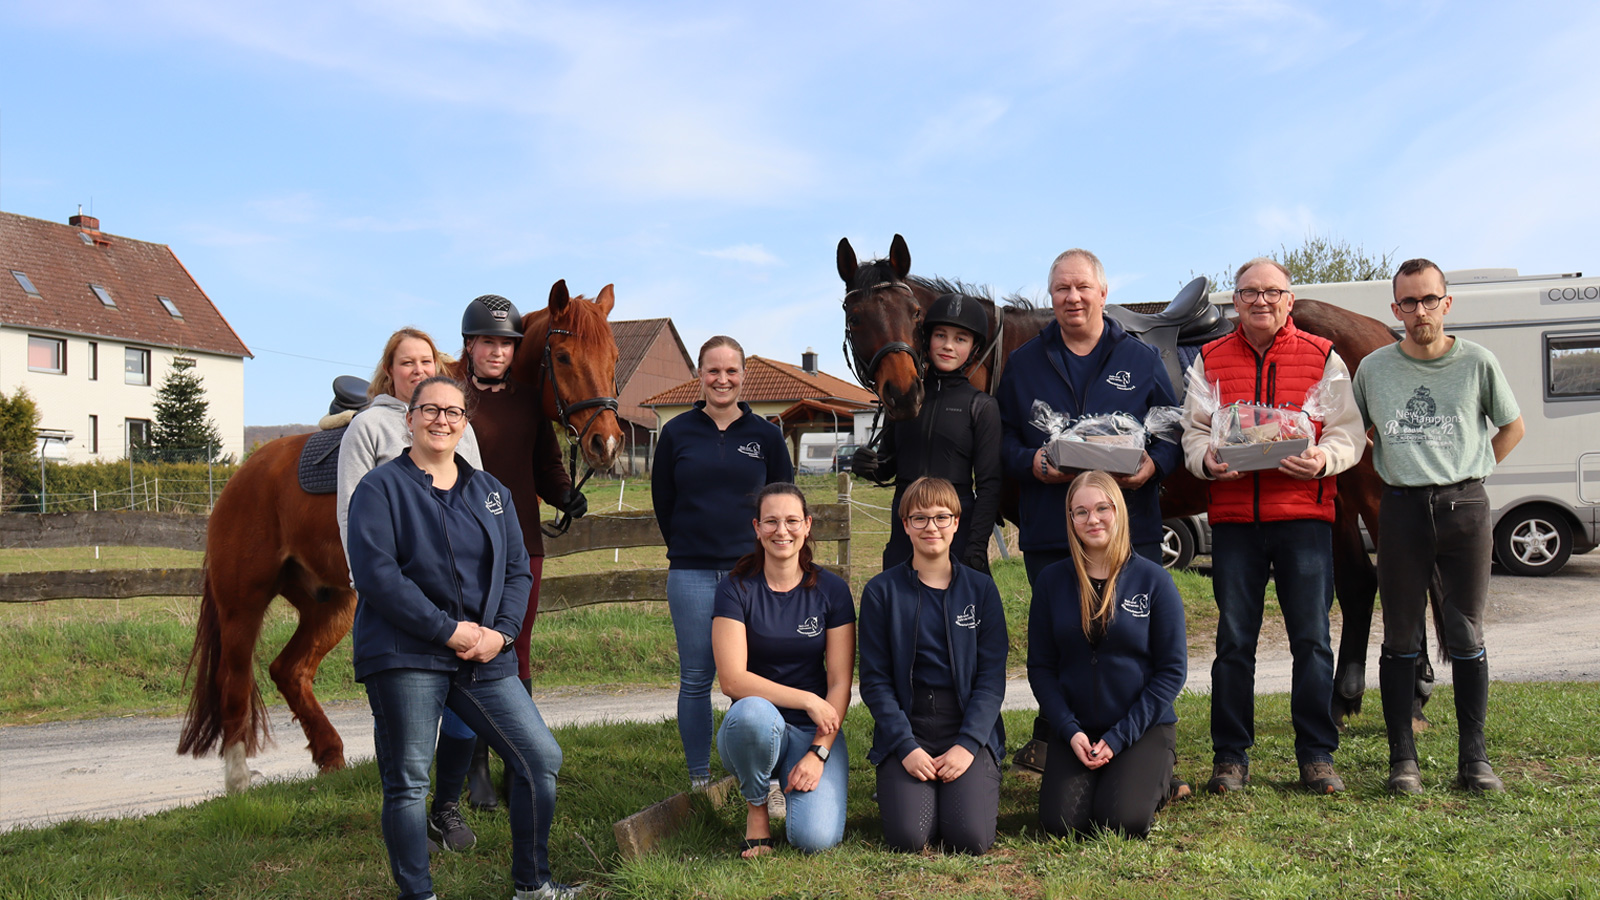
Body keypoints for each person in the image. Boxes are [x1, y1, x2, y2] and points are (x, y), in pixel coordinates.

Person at [346, 375, 579, 900]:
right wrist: (447, 630)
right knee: (408, 781)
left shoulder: (491, 492)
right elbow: (379, 577)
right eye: (430, 410)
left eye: (453, 412)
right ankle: (418, 893)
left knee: (539, 758)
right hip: (406, 653)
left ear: (465, 423)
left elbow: (519, 571)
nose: (441, 420)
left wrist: (501, 634)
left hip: (483, 654)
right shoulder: (380, 488)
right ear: (409, 419)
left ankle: (533, 885)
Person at [1179, 257, 1365, 795]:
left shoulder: (1322, 356)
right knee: (1234, 641)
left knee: (1311, 640)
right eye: (1249, 293)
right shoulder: (1209, 359)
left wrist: (1323, 460)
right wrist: (1204, 461)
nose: (1261, 301)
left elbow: (1349, 432)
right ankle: (1230, 757)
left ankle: (1317, 755)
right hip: (1236, 523)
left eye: (1272, 292)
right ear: (1234, 301)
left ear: (1288, 299)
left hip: (1303, 519)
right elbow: (1192, 432)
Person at [997, 248, 1181, 772]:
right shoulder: (1024, 362)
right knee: (1064, 643)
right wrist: (1030, 461)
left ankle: (1152, 756)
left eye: (1082, 287)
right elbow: (1003, 441)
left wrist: (1151, 468)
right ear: (1050, 297)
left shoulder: (1140, 358)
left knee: (1135, 641)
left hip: (1129, 529)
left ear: (1104, 293)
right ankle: (1064, 742)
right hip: (1051, 531)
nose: (1072, 298)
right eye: (1061, 289)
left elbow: (1168, 428)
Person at [1352, 258, 1524, 794]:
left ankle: (1475, 759)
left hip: (1466, 509)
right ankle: (1403, 758)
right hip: (1401, 511)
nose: (1419, 311)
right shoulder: (1374, 370)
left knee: (1467, 632)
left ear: (1447, 303)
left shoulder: (1477, 363)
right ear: (1396, 309)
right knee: (1400, 634)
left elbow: (1513, 426)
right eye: (1409, 302)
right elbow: (1356, 431)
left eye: (1429, 300)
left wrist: (1473, 468)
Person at [336, 326, 485, 852]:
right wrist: (371, 589)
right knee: (403, 728)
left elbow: (480, 511)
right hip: (397, 602)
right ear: (389, 371)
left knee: (467, 709)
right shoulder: (369, 429)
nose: (418, 369)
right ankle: (407, 810)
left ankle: (446, 805)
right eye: (406, 362)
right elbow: (351, 514)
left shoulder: (462, 429)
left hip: (458, 601)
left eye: (426, 360)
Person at [451, 294, 587, 810]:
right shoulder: (453, 398)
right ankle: (475, 768)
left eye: (505, 344)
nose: (497, 352)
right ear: (470, 345)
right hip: (462, 548)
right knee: (468, 650)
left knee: (515, 649)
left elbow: (546, 464)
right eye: (487, 342)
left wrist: (563, 493)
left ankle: (517, 761)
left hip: (521, 545)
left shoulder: (531, 400)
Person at [653, 336, 793, 791]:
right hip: (691, 572)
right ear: (699, 374)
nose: (722, 379)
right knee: (696, 677)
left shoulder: (767, 436)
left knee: (756, 676)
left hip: (750, 573)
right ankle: (700, 779)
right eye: (713, 371)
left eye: (731, 371)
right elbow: (664, 502)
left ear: (743, 375)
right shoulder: (676, 433)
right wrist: (689, 546)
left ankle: (759, 775)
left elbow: (783, 501)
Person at [1028, 471, 1187, 838]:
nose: (1092, 519)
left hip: (1141, 726)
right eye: (1080, 512)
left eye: (1102, 508)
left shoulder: (1154, 581)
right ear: (1070, 519)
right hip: (1078, 729)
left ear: (1118, 512)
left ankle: (1160, 777)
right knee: (1061, 825)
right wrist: (1068, 731)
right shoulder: (1052, 582)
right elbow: (1040, 667)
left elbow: (1171, 671)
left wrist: (1118, 738)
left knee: (1121, 823)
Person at [858, 476, 1007, 854]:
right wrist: (905, 746)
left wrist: (968, 744)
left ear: (956, 522)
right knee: (910, 837)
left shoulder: (981, 589)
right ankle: (908, 788)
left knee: (969, 839)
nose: (931, 527)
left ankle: (969, 782)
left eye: (942, 517)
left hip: (966, 726)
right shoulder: (881, 591)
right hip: (911, 727)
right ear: (905, 524)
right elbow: (874, 681)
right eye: (919, 518)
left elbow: (991, 680)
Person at [712, 483, 855, 857]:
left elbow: (840, 683)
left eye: (792, 521)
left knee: (815, 839)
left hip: (814, 730)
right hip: (755, 725)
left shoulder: (833, 591)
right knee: (755, 713)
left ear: (807, 525)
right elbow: (732, 680)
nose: (782, 531)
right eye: (771, 522)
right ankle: (757, 809)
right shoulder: (735, 589)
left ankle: (799, 783)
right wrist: (808, 698)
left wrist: (819, 753)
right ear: (757, 528)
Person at [853, 293, 1002, 574]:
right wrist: (870, 467)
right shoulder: (905, 397)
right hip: (905, 528)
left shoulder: (981, 406)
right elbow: (887, 467)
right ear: (926, 340)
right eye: (940, 335)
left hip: (956, 530)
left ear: (973, 348)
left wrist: (976, 546)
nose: (948, 346)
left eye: (960, 339)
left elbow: (989, 485)